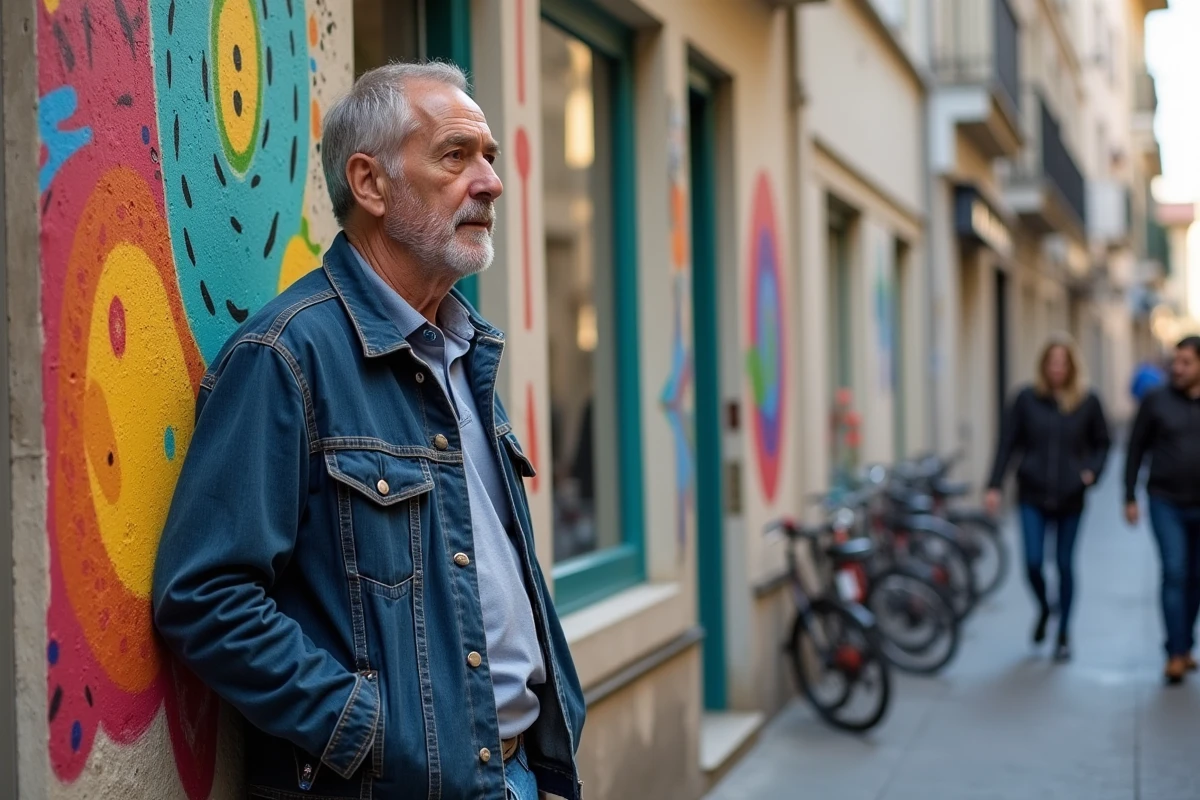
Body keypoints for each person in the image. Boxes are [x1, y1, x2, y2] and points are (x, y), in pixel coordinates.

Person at [152, 63, 584, 799]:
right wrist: (375, 734)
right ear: (370, 183)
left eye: (488, 157)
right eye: (455, 155)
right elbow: (205, 595)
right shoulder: (287, 357)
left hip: (516, 775)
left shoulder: (462, 352)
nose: (490, 182)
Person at [985, 334, 1111, 662]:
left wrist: (1091, 472)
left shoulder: (1087, 401)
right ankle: (1044, 607)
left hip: (1071, 496)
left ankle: (1064, 633)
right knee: (1033, 562)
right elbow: (1007, 443)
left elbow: (1103, 443)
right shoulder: (1026, 399)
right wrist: (994, 485)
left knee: (1065, 564)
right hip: (1032, 494)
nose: (1057, 369)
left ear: (1072, 367)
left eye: (1063, 363)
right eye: (1052, 362)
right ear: (1043, 365)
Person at [1123, 335, 1200, 685]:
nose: (1177, 368)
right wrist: (1129, 496)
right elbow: (1135, 448)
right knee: (1175, 571)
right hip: (1165, 500)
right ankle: (1174, 652)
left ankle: (1184, 644)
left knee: (1195, 578)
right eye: (1175, 361)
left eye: (1186, 362)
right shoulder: (1156, 400)